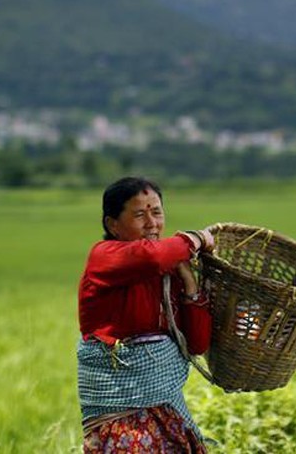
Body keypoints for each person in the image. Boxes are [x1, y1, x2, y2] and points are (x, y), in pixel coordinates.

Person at [77, 176, 214, 453]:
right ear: (112, 224)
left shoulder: (168, 269)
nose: (152, 223)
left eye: (157, 212)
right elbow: (151, 257)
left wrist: (189, 286)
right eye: (139, 214)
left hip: (166, 410)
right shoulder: (103, 255)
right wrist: (196, 238)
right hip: (120, 417)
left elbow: (197, 343)